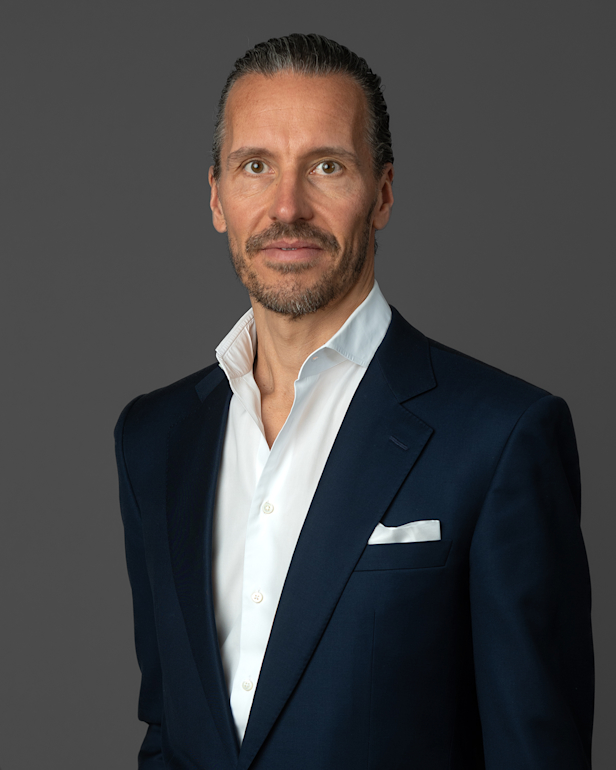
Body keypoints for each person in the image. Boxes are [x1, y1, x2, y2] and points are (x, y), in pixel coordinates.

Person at [115, 33, 594, 770]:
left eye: (327, 166)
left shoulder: (502, 437)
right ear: (217, 197)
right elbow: (169, 731)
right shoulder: (154, 437)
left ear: (383, 194)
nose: (287, 208)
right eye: (255, 166)